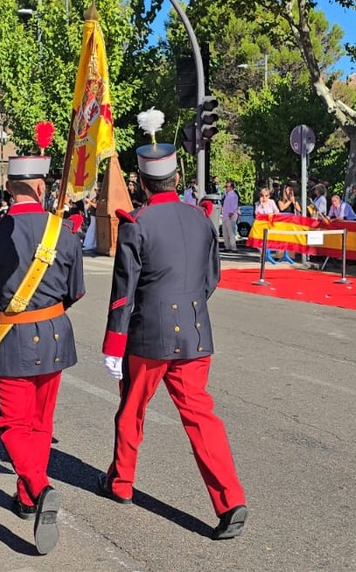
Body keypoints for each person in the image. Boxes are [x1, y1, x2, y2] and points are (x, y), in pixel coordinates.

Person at [97, 126, 248, 541]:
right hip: (196, 334)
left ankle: (122, 482)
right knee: (202, 418)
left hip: (150, 337)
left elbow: (122, 293)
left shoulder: (136, 223)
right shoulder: (200, 220)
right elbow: (211, 277)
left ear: (142, 182)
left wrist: (114, 343)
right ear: (177, 178)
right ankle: (230, 500)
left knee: (131, 410)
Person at [0, 150, 84, 555]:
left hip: (14, 337)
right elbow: (75, 289)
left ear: (8, 189)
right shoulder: (62, 231)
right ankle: (27, 496)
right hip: (57, 336)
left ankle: (39, 487)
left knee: (10, 422)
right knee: (40, 422)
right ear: (42, 188)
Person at [221, 180, 240, 253]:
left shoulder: (234, 195)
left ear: (231, 187)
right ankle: (227, 246)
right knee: (225, 232)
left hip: (230, 216)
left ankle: (233, 247)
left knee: (231, 232)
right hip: (225, 215)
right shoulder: (226, 195)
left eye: (227, 186)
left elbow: (234, 206)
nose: (226, 188)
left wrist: (230, 214)